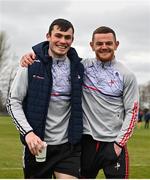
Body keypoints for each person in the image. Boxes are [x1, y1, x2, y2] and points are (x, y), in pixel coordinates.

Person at [20, 26, 139, 179]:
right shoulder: (81, 67)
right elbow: (56, 55)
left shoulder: (127, 75)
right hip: (86, 142)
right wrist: (32, 56)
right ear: (92, 45)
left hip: (114, 143)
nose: (104, 47)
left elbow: (132, 111)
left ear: (116, 44)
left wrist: (119, 144)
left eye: (109, 43)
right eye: (99, 43)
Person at [6, 18, 84, 179]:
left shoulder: (79, 67)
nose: (63, 41)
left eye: (67, 37)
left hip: (68, 147)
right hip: (38, 147)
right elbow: (13, 102)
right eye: (58, 35)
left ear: (72, 40)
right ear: (48, 36)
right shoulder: (31, 64)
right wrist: (28, 134)